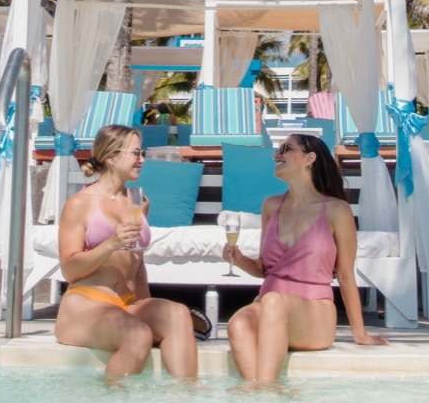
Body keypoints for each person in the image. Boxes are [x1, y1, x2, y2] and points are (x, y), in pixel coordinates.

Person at [224, 133, 387, 385]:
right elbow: (263, 269)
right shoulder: (271, 206)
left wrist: (360, 333)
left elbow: (345, 275)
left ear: (310, 158)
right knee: (237, 323)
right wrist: (239, 258)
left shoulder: (337, 210)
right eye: (278, 149)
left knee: (272, 302)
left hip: (313, 314)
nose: (278, 154)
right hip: (269, 307)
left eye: (286, 149)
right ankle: (262, 391)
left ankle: (264, 392)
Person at [55, 124, 198, 383]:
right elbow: (69, 268)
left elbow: (137, 261)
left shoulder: (137, 201)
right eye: (135, 153)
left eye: (141, 153)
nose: (142, 160)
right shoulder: (80, 204)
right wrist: (112, 242)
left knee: (177, 314)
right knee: (137, 335)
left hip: (126, 304)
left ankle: (184, 402)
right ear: (111, 157)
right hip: (87, 306)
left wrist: (147, 306)